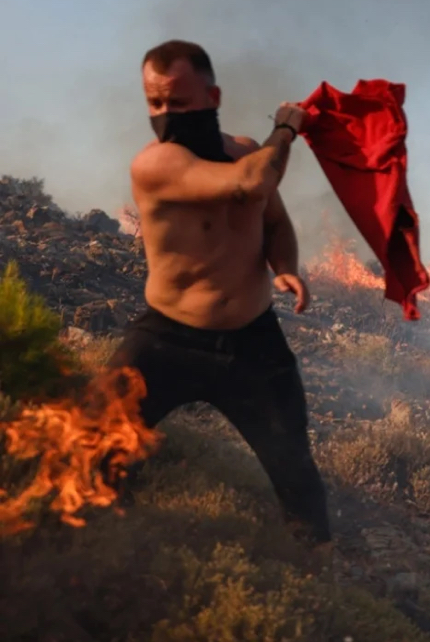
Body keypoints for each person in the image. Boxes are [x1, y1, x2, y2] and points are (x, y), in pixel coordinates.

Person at [105, 40, 331, 546]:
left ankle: (318, 574)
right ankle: (92, 558)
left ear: (213, 96)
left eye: (178, 103)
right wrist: (288, 127)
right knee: (94, 453)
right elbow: (249, 186)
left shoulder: (248, 150)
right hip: (167, 340)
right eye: (155, 104)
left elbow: (273, 219)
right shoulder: (155, 165)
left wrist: (286, 267)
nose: (165, 115)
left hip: (252, 340)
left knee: (295, 471)